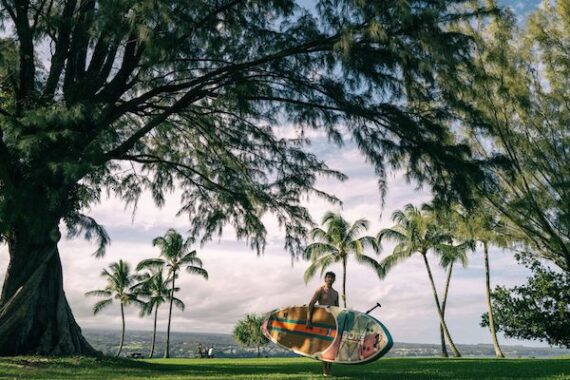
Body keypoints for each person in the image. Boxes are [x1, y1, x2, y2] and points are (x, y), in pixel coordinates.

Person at [306, 271, 339, 376]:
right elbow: (311, 304)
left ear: (334, 280)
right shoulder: (320, 290)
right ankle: (325, 370)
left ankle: (329, 368)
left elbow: (337, 309)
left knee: (332, 346)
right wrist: (308, 320)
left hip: (333, 323)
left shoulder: (335, 293)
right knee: (325, 346)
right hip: (322, 323)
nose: (330, 279)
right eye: (328, 277)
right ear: (325, 279)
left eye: (332, 278)